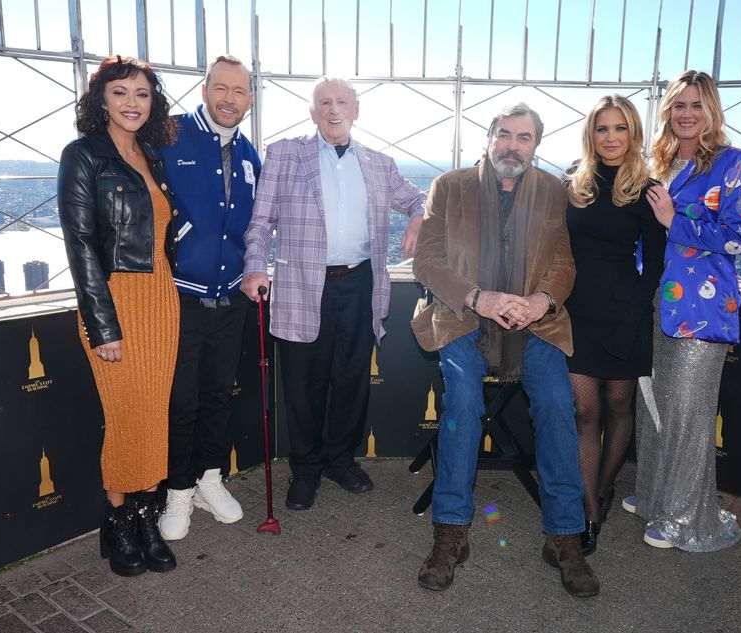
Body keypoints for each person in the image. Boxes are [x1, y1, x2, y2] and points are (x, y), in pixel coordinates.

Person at [412, 103, 599, 598]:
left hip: (534, 326)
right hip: (462, 319)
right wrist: (479, 298)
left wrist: (541, 301)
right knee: (464, 405)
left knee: (560, 405)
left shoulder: (553, 192)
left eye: (524, 137)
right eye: (504, 134)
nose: (512, 145)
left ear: (536, 146)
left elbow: (564, 263)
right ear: (488, 137)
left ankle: (564, 536)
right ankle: (451, 530)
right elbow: (427, 261)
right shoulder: (450, 187)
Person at [240, 76, 426, 511]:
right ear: (312, 112)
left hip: (360, 284)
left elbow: (419, 198)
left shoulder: (379, 163)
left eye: (342, 101)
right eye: (324, 102)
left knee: (351, 380)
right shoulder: (285, 154)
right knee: (303, 385)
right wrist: (253, 267)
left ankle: (340, 460)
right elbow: (260, 222)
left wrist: (418, 216)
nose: (333, 109)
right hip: (304, 285)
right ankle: (305, 471)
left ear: (356, 110)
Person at [57, 55, 179, 576]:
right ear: (100, 99)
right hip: (114, 302)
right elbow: (80, 243)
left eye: (142, 94)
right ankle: (119, 520)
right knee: (127, 417)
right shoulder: (82, 155)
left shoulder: (153, 155)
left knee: (153, 416)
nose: (132, 103)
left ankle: (148, 518)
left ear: (153, 103)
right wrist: (103, 325)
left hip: (161, 301)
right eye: (120, 92)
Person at [627, 70, 741, 551]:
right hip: (653, 302)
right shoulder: (657, 163)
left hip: (703, 311)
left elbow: (736, 239)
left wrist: (673, 220)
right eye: (678, 105)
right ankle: (653, 495)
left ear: (711, 111)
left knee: (687, 412)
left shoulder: (733, 163)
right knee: (653, 404)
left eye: (696, 105)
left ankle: (682, 518)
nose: (686, 113)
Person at [157, 55, 262, 541]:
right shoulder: (169, 133)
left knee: (219, 396)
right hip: (180, 296)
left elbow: (258, 226)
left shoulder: (249, 154)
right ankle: (178, 489)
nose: (229, 99)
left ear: (250, 100)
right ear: (205, 90)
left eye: (239, 92)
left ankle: (209, 479)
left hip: (230, 298)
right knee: (182, 400)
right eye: (221, 88)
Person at [562, 95, 665, 556]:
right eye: (602, 129)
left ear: (633, 134)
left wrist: (634, 314)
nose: (610, 138)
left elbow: (656, 263)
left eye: (619, 128)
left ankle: (603, 489)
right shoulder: (572, 182)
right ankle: (588, 510)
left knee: (620, 407)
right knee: (585, 411)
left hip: (627, 308)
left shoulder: (648, 188)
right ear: (591, 134)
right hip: (578, 310)